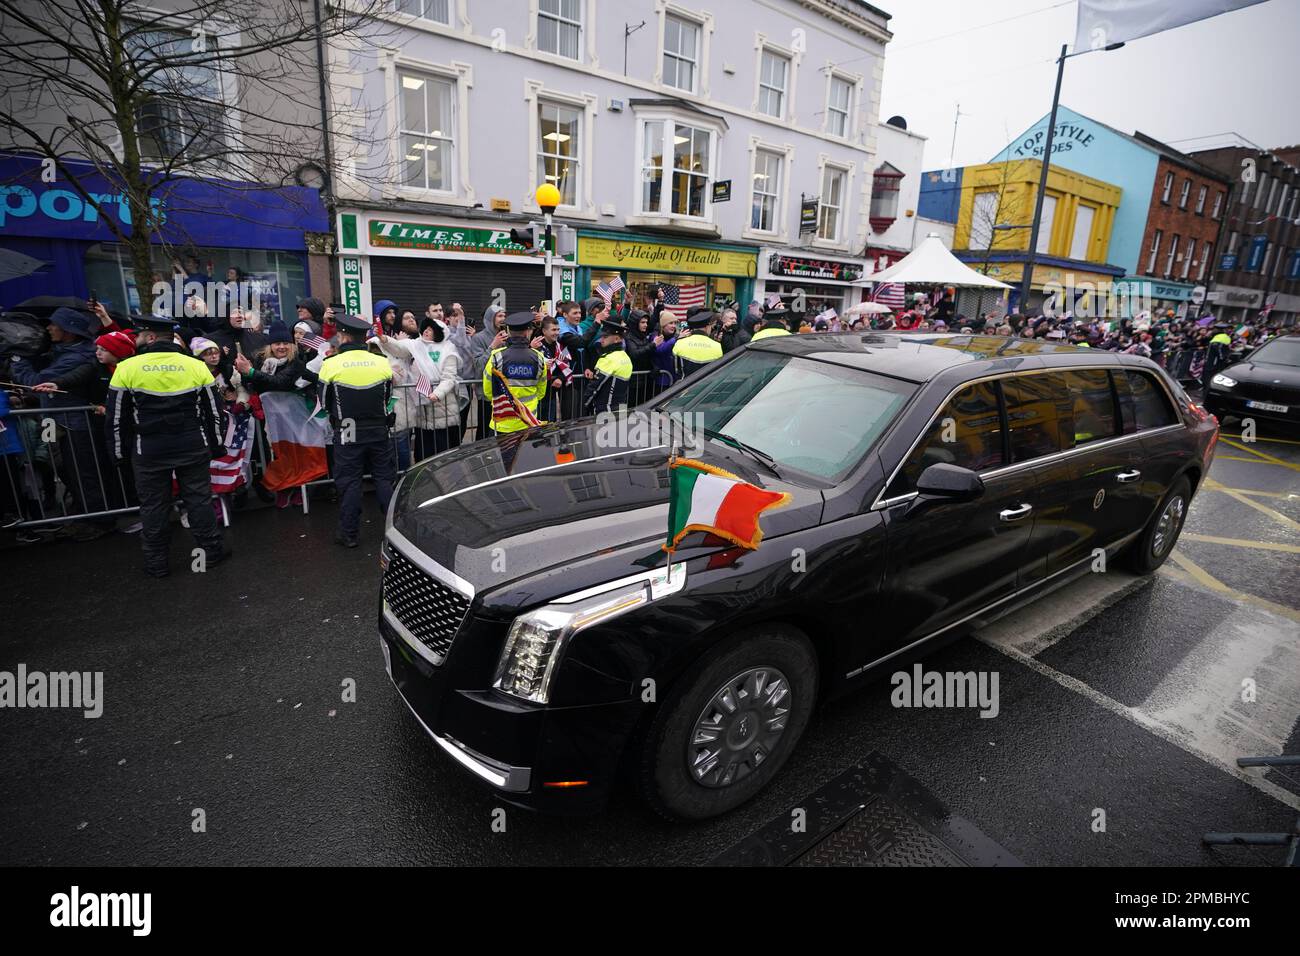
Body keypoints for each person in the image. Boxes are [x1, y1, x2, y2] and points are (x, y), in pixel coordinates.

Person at [105, 315, 228, 576]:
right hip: (192, 444)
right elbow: (214, 412)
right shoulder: (195, 366)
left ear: (150, 337)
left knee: (153, 506)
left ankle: (157, 563)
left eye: (138, 334)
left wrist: (117, 453)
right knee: (198, 501)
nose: (135, 339)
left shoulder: (127, 368)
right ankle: (211, 553)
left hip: (149, 449)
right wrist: (217, 445)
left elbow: (116, 417)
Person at [8, 306, 116, 540]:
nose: (48, 328)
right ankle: (84, 513)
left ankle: (100, 520)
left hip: (75, 424)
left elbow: (37, 383)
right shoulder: (63, 351)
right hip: (58, 423)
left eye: (53, 324)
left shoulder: (78, 355)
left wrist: (18, 358)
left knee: (84, 473)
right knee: (63, 468)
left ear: (69, 331)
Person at [317, 313, 396, 548]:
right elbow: (388, 397)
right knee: (384, 480)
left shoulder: (330, 364)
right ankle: (396, 532)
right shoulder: (382, 362)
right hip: (379, 429)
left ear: (343, 335)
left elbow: (322, 401)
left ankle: (349, 534)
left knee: (350, 482)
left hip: (347, 430)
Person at [376, 315, 465, 458]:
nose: (426, 331)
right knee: (423, 454)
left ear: (439, 333)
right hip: (422, 413)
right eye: (426, 328)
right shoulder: (416, 344)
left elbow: (449, 378)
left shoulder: (449, 350)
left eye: (431, 330)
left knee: (443, 454)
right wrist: (384, 339)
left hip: (443, 410)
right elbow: (399, 347)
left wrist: (437, 394)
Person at [483, 311, 547, 434]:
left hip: (502, 423)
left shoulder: (497, 356)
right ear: (528, 331)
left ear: (508, 332)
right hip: (528, 422)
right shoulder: (539, 357)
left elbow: (488, 390)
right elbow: (541, 392)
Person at [583, 317, 633, 415]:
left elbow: (594, 387)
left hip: (605, 411)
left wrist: (584, 405)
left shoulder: (608, 359)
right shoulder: (625, 357)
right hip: (621, 408)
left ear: (616, 339)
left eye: (605, 337)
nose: (601, 340)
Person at [671, 309, 722, 381]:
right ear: (707, 327)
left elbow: (676, 370)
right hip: (706, 387)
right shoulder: (717, 346)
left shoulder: (680, 343)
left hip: (684, 388)